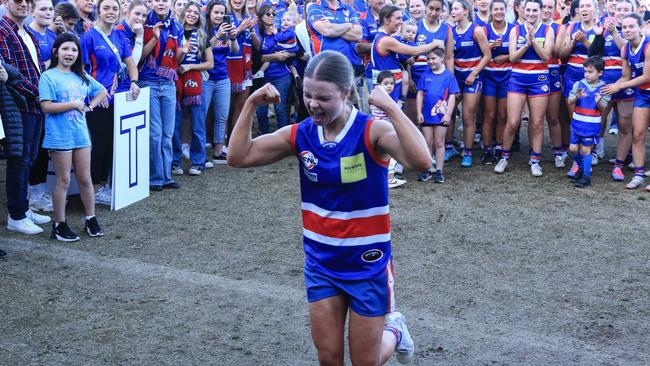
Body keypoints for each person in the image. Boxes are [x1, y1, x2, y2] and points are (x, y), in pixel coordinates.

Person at [228, 49, 432, 366]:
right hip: (321, 263)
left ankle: (394, 329)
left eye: (323, 97)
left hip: (368, 264)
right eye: (308, 95)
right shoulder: (301, 134)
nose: (312, 104)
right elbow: (237, 157)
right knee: (328, 358)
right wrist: (251, 104)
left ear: (347, 93)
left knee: (365, 362)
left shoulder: (371, 132)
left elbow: (422, 161)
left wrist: (391, 106)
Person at [39, 32, 108, 241]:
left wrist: (89, 107)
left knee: (86, 179)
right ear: (56, 52)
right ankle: (59, 225)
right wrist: (75, 104)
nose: (70, 53)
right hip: (59, 135)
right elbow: (46, 106)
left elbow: (102, 91)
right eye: (65, 49)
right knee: (63, 180)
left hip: (80, 134)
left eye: (74, 50)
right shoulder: (48, 76)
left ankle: (91, 219)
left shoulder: (82, 76)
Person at [0, 0, 52, 235]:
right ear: (6, 3)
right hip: (20, 104)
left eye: (27, 2)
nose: (23, 4)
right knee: (19, 161)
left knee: (29, 159)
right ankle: (16, 215)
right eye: (17, 0)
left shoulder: (28, 32)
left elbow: (38, 67)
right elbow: (8, 71)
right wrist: (37, 94)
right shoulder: (2, 29)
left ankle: (24, 208)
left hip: (35, 103)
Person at [81, 0, 140, 205]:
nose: (110, 12)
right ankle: (95, 190)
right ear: (98, 10)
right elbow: (80, 70)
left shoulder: (119, 36)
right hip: (98, 101)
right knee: (99, 144)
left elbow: (130, 62)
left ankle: (103, 185)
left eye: (114, 8)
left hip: (118, 100)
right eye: (106, 7)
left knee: (110, 145)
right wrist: (97, 93)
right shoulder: (88, 37)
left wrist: (134, 82)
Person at [494, 0, 555, 176]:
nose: (531, 13)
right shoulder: (516, 29)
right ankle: (504, 157)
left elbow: (546, 56)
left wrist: (534, 41)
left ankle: (535, 160)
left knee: (536, 122)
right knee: (512, 121)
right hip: (518, 79)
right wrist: (526, 44)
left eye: (535, 10)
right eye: (528, 9)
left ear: (540, 11)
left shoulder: (548, 29)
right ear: (523, 11)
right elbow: (512, 57)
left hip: (539, 79)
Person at [602, 13, 650, 191]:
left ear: (641, 28)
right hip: (643, 95)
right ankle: (638, 175)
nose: (628, 30)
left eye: (632, 26)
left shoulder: (648, 46)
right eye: (624, 27)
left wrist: (619, 87)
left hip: (646, 88)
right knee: (637, 134)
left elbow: (646, 76)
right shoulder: (625, 49)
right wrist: (609, 88)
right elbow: (626, 76)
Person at [590, 0, 636, 181]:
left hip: (626, 82)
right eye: (619, 9)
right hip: (605, 81)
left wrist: (615, 33)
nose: (622, 12)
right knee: (599, 117)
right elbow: (592, 53)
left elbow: (628, 51)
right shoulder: (605, 27)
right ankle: (595, 150)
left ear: (633, 13)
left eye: (626, 9)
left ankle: (621, 161)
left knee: (625, 123)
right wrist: (600, 35)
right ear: (613, 11)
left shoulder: (633, 31)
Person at [140, 0, 183, 191]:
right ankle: (155, 177)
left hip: (168, 83)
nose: (161, 3)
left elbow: (177, 59)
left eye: (165, 0)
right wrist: (154, 39)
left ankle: (167, 176)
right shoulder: (143, 23)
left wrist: (182, 52)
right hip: (148, 81)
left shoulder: (177, 27)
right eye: (157, 0)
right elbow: (139, 56)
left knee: (167, 134)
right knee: (155, 134)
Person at [172, 1, 214, 175]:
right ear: (183, 13)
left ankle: (198, 162)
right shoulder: (175, 32)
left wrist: (190, 67)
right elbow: (171, 58)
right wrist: (182, 52)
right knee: (175, 123)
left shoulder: (202, 35)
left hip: (196, 82)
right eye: (189, 11)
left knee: (198, 124)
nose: (191, 14)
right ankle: (175, 162)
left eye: (195, 13)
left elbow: (210, 63)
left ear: (199, 17)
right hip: (176, 82)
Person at [371, 5, 444, 103]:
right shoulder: (386, 40)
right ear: (387, 20)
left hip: (389, 88)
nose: (401, 22)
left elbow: (390, 61)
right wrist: (435, 43)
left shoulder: (384, 37)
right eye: (398, 18)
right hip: (387, 90)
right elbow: (414, 51)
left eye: (401, 18)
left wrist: (405, 61)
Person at [449, 0, 491, 168]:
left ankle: (468, 152)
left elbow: (487, 55)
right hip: (456, 78)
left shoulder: (477, 30)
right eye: (451, 9)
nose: (453, 12)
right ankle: (448, 147)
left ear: (466, 11)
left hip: (473, 78)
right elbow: (449, 57)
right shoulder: (450, 31)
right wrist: (452, 80)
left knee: (467, 117)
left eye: (456, 9)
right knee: (448, 112)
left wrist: (474, 73)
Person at [26, 0, 57, 213]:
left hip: (51, 101)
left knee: (44, 148)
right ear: (32, 11)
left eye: (50, 9)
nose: (47, 12)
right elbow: (33, 69)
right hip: (32, 101)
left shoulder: (53, 36)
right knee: (32, 150)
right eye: (43, 9)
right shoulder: (27, 34)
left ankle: (38, 192)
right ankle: (31, 195)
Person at [416, 47, 459, 183]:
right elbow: (420, 94)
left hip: (441, 116)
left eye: (433, 58)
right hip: (426, 115)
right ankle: (428, 168)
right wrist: (418, 112)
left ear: (442, 59)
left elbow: (452, 97)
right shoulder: (425, 75)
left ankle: (439, 171)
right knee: (427, 142)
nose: (430, 61)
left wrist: (448, 114)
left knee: (439, 142)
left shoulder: (449, 76)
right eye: (428, 59)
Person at [565, 56, 610, 187]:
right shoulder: (579, 84)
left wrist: (598, 102)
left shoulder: (604, 88)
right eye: (585, 72)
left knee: (586, 150)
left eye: (590, 72)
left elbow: (604, 108)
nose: (587, 75)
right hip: (577, 123)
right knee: (573, 149)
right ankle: (581, 168)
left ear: (600, 72)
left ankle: (586, 176)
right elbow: (570, 101)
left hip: (591, 125)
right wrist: (576, 97)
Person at [203, 0, 238, 162]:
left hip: (223, 76)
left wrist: (232, 37)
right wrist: (217, 35)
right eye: (216, 12)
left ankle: (219, 150)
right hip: (206, 77)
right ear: (209, 13)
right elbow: (202, 48)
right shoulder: (203, 28)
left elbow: (235, 50)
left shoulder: (227, 28)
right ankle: (199, 150)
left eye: (222, 13)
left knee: (222, 115)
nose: (219, 16)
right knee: (201, 115)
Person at [481, 0, 514, 164]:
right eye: (496, 9)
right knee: (489, 115)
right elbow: (479, 53)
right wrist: (490, 47)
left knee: (502, 116)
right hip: (489, 76)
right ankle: (487, 150)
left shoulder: (513, 28)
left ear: (505, 11)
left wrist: (506, 57)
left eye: (502, 9)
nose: (499, 12)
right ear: (491, 12)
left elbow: (517, 52)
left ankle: (500, 148)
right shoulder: (484, 30)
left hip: (507, 76)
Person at [254, 4, 295, 133]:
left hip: (281, 74)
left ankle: (282, 141)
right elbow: (256, 57)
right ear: (261, 16)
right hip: (261, 76)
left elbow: (296, 50)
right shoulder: (257, 33)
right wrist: (275, 56)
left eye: (274, 14)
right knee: (261, 111)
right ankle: (263, 139)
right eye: (268, 14)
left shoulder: (281, 31)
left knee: (280, 109)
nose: (272, 16)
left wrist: (288, 54)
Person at [542, 0, 569, 168]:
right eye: (543, 7)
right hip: (530, 71)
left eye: (549, 7)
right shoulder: (524, 25)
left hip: (552, 71)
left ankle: (559, 152)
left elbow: (557, 52)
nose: (545, 10)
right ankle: (533, 152)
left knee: (553, 116)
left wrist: (547, 39)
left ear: (554, 9)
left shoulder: (559, 27)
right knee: (535, 119)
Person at [370, 70, 407, 188]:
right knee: (390, 155)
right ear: (378, 84)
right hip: (385, 131)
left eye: (391, 83)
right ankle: (390, 179)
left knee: (382, 155)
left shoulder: (375, 96)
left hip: (378, 130)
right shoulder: (384, 99)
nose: (389, 86)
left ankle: (381, 179)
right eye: (386, 83)